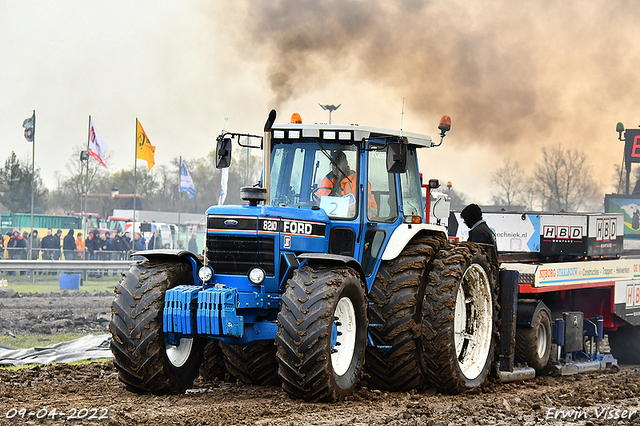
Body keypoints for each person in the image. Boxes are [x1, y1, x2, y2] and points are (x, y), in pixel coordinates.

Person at [314, 150, 377, 217]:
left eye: (338, 164)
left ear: (346, 163)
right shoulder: (328, 179)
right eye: (333, 164)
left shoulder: (359, 180)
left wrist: (341, 208)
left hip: (360, 219)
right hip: (336, 217)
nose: (335, 167)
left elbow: (363, 204)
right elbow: (318, 199)